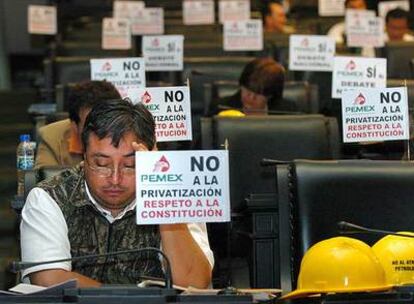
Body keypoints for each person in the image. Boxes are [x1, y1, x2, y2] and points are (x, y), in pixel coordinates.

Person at [21, 99, 214, 288]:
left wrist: (162, 197)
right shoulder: (49, 197)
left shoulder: (177, 196)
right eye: (101, 164)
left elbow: (194, 284)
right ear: (83, 156)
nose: (115, 179)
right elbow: (49, 278)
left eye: (131, 165)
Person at [34, 80, 121, 169]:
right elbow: (43, 179)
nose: (101, 131)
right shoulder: (51, 138)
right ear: (74, 126)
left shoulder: (132, 136)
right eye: (91, 125)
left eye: (107, 122)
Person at [208, 58, 297, 116]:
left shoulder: (289, 112)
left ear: (270, 96)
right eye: (247, 91)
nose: (249, 99)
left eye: (257, 95)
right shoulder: (220, 108)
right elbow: (204, 143)